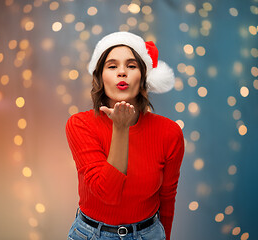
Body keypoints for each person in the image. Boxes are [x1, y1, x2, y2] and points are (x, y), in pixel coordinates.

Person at [65, 31, 184, 240]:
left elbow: (167, 197)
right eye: (112, 66)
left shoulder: (169, 132)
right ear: (100, 77)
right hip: (92, 234)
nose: (122, 72)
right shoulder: (79, 125)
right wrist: (121, 129)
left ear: (144, 77)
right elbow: (107, 194)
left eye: (131, 66)